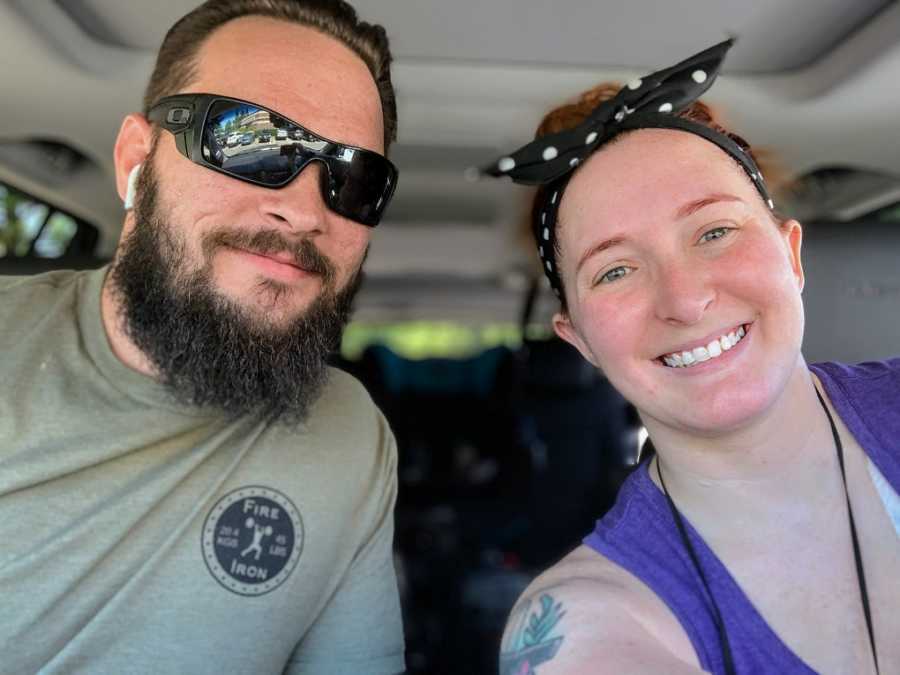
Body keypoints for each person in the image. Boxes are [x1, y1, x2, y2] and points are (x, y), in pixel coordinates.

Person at [0, 1, 405, 673]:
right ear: (137, 158)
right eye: (250, 141)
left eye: (354, 179)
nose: (304, 211)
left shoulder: (350, 438)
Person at [486, 40, 900, 674]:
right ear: (580, 341)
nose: (684, 300)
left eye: (714, 232)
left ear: (792, 257)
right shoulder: (588, 619)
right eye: (617, 270)